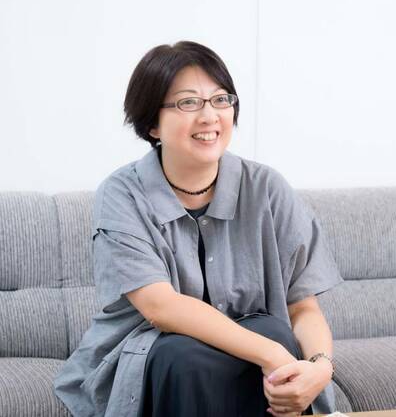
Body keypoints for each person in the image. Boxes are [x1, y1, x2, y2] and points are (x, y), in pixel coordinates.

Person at [53, 40, 345, 417]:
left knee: (274, 328)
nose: (209, 116)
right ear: (152, 124)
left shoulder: (266, 188)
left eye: (220, 99)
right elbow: (161, 307)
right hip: (162, 356)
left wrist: (320, 368)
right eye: (188, 102)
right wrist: (272, 354)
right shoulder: (122, 193)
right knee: (185, 355)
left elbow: (303, 307)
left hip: (255, 355)